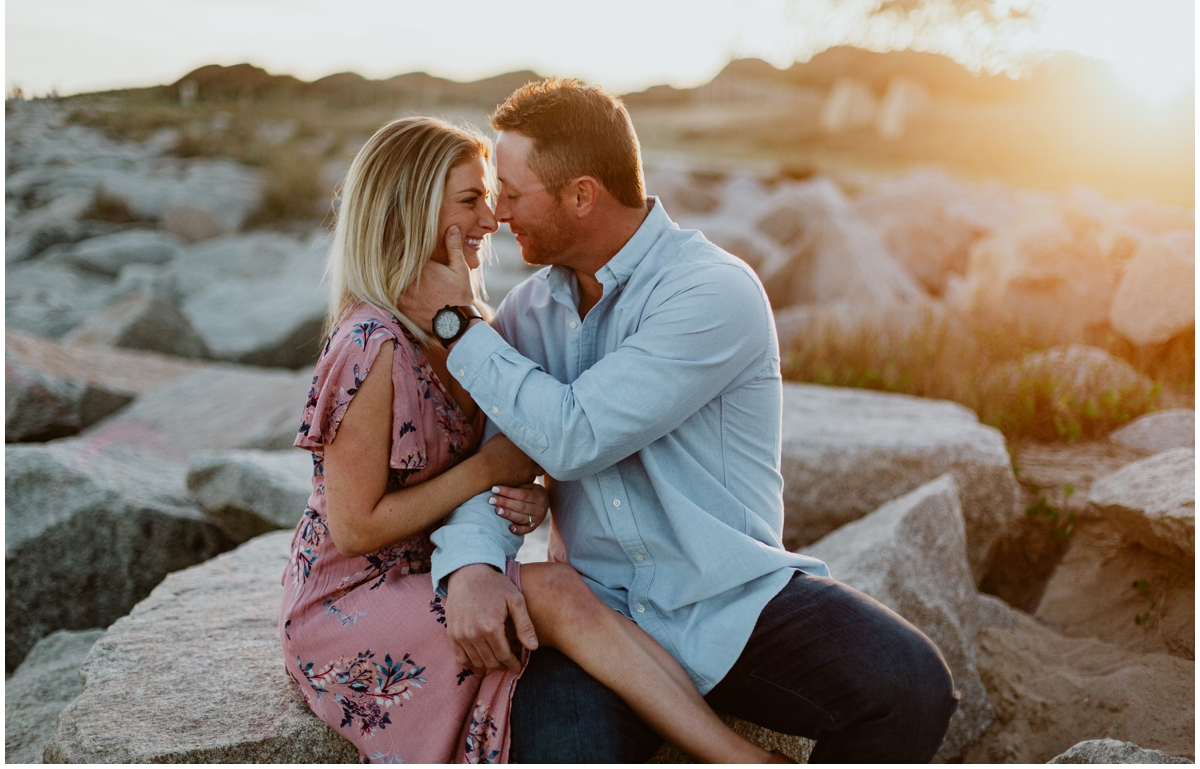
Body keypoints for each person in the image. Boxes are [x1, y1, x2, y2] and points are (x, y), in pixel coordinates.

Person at [400, 79, 961, 763]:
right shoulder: (524, 316)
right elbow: (488, 468)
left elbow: (574, 437)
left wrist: (458, 325)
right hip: (594, 620)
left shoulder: (710, 290)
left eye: (512, 194)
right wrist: (471, 567)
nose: (496, 214)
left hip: (728, 601)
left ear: (582, 195)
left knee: (910, 686)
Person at [278, 115, 791, 763]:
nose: (492, 219)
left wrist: (531, 496)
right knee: (552, 591)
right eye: (471, 201)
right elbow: (354, 529)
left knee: (556, 591)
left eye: (492, 198)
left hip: (425, 572)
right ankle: (737, 758)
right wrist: (486, 470)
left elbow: (530, 453)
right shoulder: (369, 344)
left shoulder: (474, 329)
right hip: (345, 604)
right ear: (412, 209)